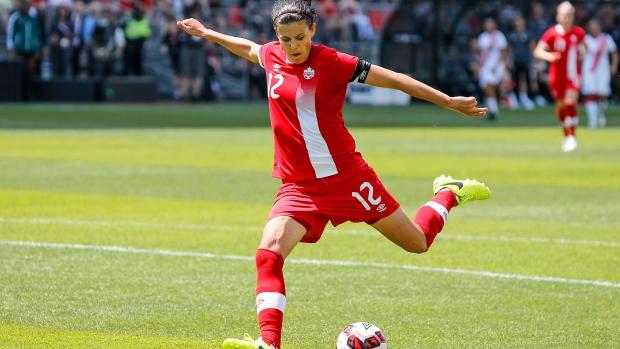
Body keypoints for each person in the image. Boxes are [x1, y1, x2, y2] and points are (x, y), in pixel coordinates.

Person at [176, 0, 491, 348]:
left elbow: (397, 80)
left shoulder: (333, 62)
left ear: (313, 30)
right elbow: (249, 48)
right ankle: (270, 343)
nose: (293, 46)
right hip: (297, 185)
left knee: (417, 242)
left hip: (347, 178)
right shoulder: (272, 55)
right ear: (276, 37)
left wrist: (447, 101)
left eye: (299, 37)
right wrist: (206, 33)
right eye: (285, 39)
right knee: (269, 252)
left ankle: (448, 192)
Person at [534, 1, 585, 152]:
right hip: (556, 77)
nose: (567, 18)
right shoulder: (552, 33)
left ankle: (572, 137)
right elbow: (537, 51)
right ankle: (566, 135)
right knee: (561, 106)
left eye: (569, 14)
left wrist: (583, 57)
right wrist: (549, 56)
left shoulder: (579, 33)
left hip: (573, 75)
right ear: (558, 16)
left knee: (570, 102)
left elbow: (585, 48)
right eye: (564, 14)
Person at [581, 19, 618, 128]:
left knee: (603, 94)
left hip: (603, 70)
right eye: (592, 26)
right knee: (590, 94)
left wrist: (614, 66)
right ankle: (592, 120)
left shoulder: (606, 39)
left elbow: (614, 53)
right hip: (589, 71)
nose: (594, 28)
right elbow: (581, 55)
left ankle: (600, 113)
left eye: (596, 26)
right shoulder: (585, 39)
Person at [472, 18, 508, 121]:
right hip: (485, 67)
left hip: (495, 67)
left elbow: (504, 51)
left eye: (490, 23)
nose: (488, 25)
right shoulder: (482, 37)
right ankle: (493, 111)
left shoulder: (499, 36)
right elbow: (479, 53)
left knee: (489, 87)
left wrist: (500, 65)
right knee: (486, 89)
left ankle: (493, 111)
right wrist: (478, 66)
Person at [507, 15, 536, 111]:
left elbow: (532, 47)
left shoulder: (528, 34)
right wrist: (509, 59)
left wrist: (532, 59)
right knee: (515, 81)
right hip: (516, 61)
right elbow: (510, 49)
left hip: (526, 61)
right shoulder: (512, 35)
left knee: (526, 80)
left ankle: (526, 98)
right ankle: (515, 98)